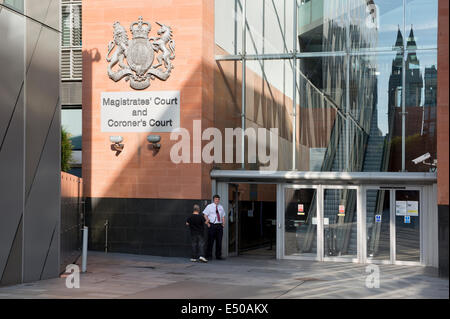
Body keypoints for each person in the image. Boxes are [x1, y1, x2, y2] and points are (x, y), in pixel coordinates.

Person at [203, 194, 226, 260]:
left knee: (219, 241)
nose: (217, 200)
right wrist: (208, 223)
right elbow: (205, 215)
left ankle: (218, 256)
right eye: (216, 199)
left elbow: (223, 216)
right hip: (212, 225)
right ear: (213, 200)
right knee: (210, 241)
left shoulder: (221, 207)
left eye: (218, 199)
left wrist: (223, 223)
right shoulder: (209, 206)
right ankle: (208, 255)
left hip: (219, 226)